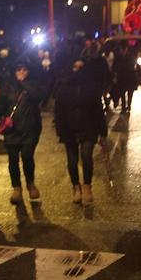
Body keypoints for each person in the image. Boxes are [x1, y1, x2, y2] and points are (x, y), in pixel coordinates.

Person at [53, 57, 107, 204]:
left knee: (86, 156)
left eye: (81, 67)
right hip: (69, 128)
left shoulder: (91, 87)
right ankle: (76, 187)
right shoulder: (63, 86)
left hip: (88, 127)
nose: (78, 71)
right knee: (72, 160)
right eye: (75, 67)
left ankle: (87, 186)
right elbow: (58, 110)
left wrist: (102, 131)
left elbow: (98, 110)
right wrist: (60, 129)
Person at [0, 62, 45, 204]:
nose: (21, 72)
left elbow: (38, 96)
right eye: (18, 69)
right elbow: (1, 103)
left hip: (30, 129)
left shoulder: (33, 84)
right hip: (12, 130)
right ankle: (16, 188)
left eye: (24, 69)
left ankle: (30, 183)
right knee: (13, 160)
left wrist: (23, 83)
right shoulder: (8, 86)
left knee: (27, 157)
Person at [112, 41, 139, 114]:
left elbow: (133, 63)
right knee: (122, 92)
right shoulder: (118, 55)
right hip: (122, 76)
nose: (121, 49)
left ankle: (128, 105)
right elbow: (115, 65)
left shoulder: (131, 53)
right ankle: (124, 107)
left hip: (130, 76)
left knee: (130, 92)